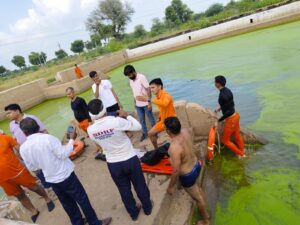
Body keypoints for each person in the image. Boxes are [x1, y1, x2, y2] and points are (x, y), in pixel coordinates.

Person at [19, 118, 112, 225]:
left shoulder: (23, 148)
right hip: (66, 175)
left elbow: (32, 168)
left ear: (24, 132)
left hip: (51, 179)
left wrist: (45, 164)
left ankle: (78, 222)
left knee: (67, 204)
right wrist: (72, 140)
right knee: (82, 199)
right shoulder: (48, 138)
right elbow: (63, 154)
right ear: (38, 127)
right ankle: (95, 223)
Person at [87, 99, 152, 221]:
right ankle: (147, 208)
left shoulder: (90, 130)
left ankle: (133, 213)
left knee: (123, 189)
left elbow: (98, 144)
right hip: (130, 159)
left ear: (91, 114)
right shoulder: (116, 121)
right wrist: (127, 116)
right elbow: (138, 127)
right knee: (140, 185)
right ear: (104, 109)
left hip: (113, 164)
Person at [0, 132, 55, 223]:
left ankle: (47, 198)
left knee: (33, 187)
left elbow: (20, 150)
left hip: (18, 171)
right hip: (3, 179)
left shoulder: (5, 138)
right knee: (19, 195)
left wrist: (30, 163)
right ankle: (34, 211)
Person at [164, 117, 209, 225]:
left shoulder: (174, 148)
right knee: (198, 190)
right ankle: (201, 197)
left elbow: (176, 171)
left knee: (198, 199)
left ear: (168, 131)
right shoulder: (186, 131)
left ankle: (206, 220)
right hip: (196, 165)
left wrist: (171, 187)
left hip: (188, 174)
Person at [4, 103, 51, 190]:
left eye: (9, 113)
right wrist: (17, 152)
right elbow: (14, 140)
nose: (7, 115)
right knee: (37, 170)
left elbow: (44, 131)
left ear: (17, 111)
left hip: (39, 148)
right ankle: (47, 187)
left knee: (46, 166)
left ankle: (53, 185)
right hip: (26, 152)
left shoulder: (32, 118)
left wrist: (49, 144)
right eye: (7, 114)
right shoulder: (11, 125)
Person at [136, 78, 177, 149]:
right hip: (163, 121)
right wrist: (160, 117)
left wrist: (149, 100)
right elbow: (163, 108)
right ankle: (156, 149)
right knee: (150, 134)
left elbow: (165, 103)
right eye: (150, 88)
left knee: (175, 139)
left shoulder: (166, 95)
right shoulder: (158, 96)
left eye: (153, 87)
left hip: (171, 121)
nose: (151, 90)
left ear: (160, 87)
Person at [214, 75, 245, 157]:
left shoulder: (222, 96)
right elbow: (230, 104)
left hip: (231, 119)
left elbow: (229, 111)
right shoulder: (228, 90)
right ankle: (242, 150)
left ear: (218, 84)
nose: (214, 84)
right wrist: (220, 108)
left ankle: (241, 154)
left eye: (215, 82)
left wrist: (219, 119)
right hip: (236, 115)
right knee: (237, 135)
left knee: (225, 141)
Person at [123, 65, 155, 142]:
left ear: (134, 71)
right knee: (141, 120)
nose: (129, 77)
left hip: (146, 104)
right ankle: (145, 133)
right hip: (138, 105)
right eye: (128, 76)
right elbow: (134, 91)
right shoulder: (130, 80)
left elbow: (148, 89)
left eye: (130, 75)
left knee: (151, 118)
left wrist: (149, 102)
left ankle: (155, 132)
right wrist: (134, 102)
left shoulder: (141, 77)